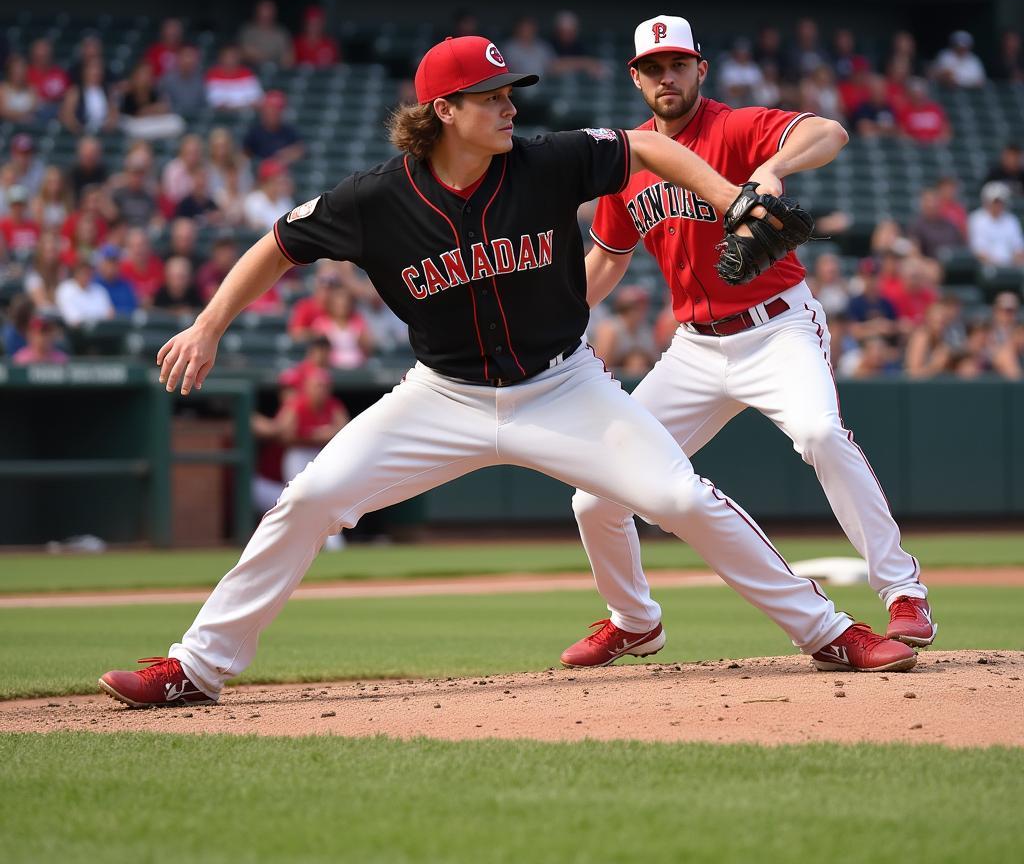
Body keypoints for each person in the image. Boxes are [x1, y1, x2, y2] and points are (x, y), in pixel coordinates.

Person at [97, 34, 915, 709]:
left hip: (564, 386)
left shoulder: (547, 161)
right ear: (443, 112)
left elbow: (648, 151)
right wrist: (207, 324)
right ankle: (196, 668)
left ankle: (828, 632)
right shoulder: (375, 198)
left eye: (508, 92)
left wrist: (735, 196)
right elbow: (278, 243)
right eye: (491, 96)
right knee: (309, 497)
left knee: (676, 498)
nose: (510, 106)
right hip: (441, 397)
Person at [560, 14, 933, 671]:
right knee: (595, 494)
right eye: (652, 67)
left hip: (777, 326)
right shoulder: (630, 160)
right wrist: (553, 317)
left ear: (701, 69)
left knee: (820, 436)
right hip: (695, 351)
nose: (665, 76)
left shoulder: (732, 128)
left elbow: (830, 130)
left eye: (677, 64)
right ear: (636, 77)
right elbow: (609, 259)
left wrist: (773, 170)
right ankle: (634, 621)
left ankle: (904, 591)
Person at [968, 181, 1024, 267]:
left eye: (1000, 202)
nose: (998, 205)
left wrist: (1014, 262)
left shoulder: (1012, 220)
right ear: (986, 202)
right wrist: (998, 265)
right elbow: (978, 251)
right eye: (995, 202)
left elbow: (1018, 249)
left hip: (1012, 265)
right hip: (987, 266)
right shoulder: (977, 219)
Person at [243, 90, 304, 165]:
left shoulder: (289, 131)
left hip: (283, 172)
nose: (270, 114)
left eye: (274, 111)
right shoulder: (254, 133)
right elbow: (245, 156)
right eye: (268, 110)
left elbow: (300, 150)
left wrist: (285, 155)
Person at [55, 258, 115, 327]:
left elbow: (109, 315)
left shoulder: (99, 290)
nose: (86, 275)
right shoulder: (65, 289)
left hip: (102, 332)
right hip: (76, 334)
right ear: (76, 272)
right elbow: (74, 321)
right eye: (83, 271)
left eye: (89, 271)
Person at [239, 0, 294, 69]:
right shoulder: (248, 31)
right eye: (263, 11)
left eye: (269, 11)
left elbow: (289, 56)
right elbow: (244, 52)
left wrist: (285, 62)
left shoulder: (281, 32)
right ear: (257, 12)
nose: (266, 15)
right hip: (252, 71)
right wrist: (269, 59)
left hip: (276, 71)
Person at [205, 45, 263, 110]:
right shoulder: (212, 74)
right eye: (227, 56)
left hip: (246, 114)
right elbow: (215, 102)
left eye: (233, 57)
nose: (230, 60)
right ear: (221, 58)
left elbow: (256, 99)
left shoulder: (247, 73)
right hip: (220, 116)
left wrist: (232, 105)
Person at [242, 158, 294, 231]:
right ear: (266, 182)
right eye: (277, 179)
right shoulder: (254, 200)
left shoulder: (286, 201)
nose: (282, 182)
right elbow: (256, 230)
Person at [158, 45, 207, 118]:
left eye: (192, 57)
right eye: (186, 56)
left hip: (196, 119)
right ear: (178, 58)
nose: (189, 60)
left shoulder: (200, 80)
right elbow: (165, 106)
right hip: (173, 119)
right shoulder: (168, 80)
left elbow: (204, 104)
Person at [897, 77, 951, 144]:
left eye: (921, 92)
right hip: (913, 148)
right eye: (915, 93)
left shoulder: (935, 109)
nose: (919, 96)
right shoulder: (904, 110)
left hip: (935, 147)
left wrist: (936, 141)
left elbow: (945, 131)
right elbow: (902, 133)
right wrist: (917, 142)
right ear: (910, 94)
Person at [93, 243, 138, 316]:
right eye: (108, 262)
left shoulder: (126, 285)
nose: (111, 266)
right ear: (100, 263)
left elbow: (132, 309)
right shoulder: (92, 284)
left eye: (114, 262)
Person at [0, 53, 41, 125]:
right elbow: (3, 111)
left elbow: (34, 110)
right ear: (10, 72)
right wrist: (23, 116)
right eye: (16, 70)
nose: (19, 73)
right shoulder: (2, 89)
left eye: (21, 69)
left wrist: (14, 113)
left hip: (29, 127)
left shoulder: (32, 89)